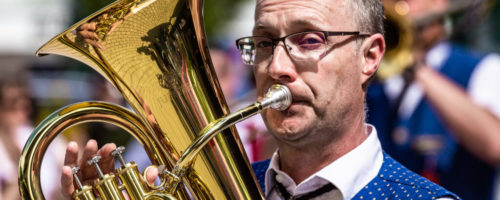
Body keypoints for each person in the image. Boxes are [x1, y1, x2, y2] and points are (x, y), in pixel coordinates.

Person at [61, 0, 459, 199]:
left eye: (309, 40)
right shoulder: (197, 192)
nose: (277, 66)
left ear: (369, 56)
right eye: (265, 42)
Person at [366, 0, 500, 199]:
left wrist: (417, 68)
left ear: (440, 4)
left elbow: (495, 144)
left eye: (411, 1)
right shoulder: (374, 81)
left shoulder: (483, 69)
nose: (403, 8)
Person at [0, 69, 66, 200]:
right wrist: (21, 171)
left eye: (25, 105)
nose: (21, 113)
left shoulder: (47, 138)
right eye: (12, 105)